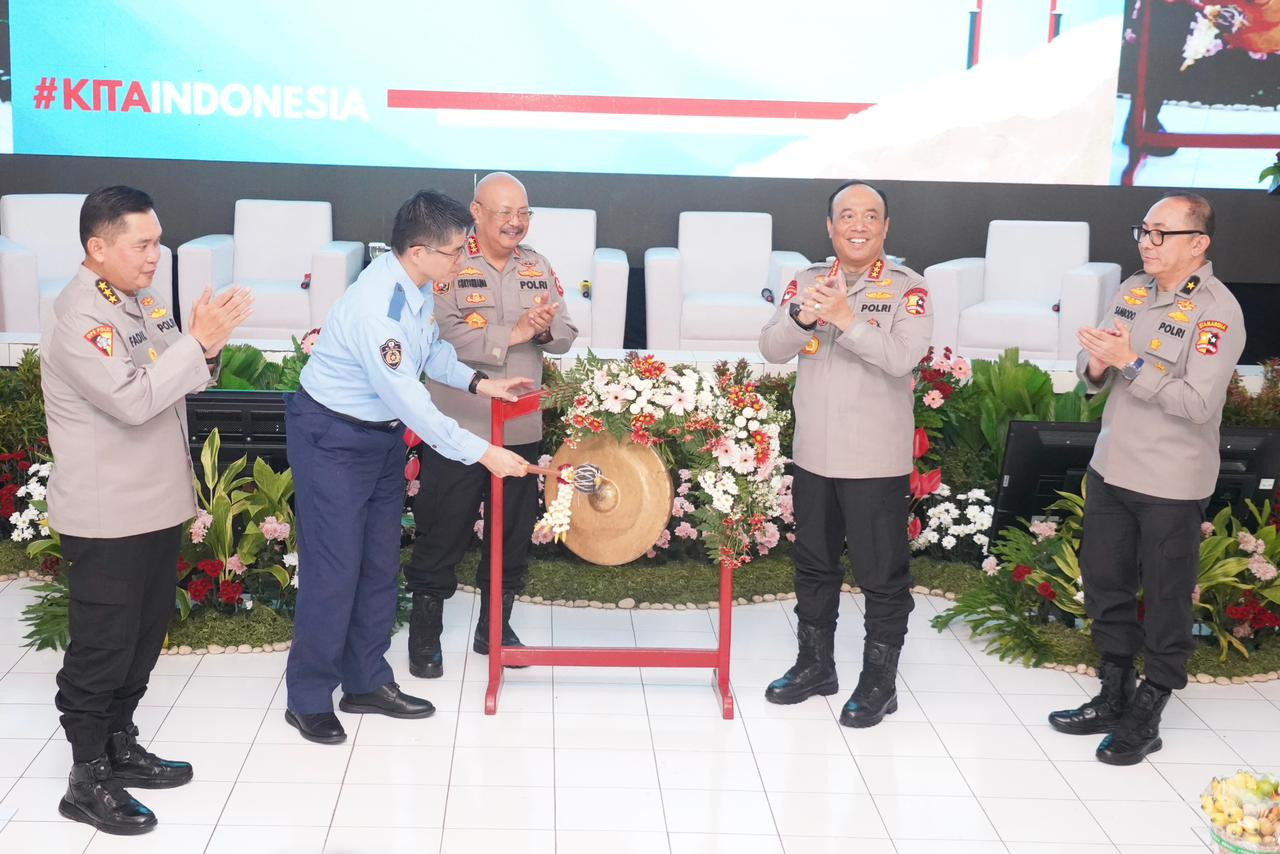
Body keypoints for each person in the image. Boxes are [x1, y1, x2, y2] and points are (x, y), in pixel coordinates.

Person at [41, 185, 253, 834]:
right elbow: (134, 400)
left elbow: (178, 378)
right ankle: (86, 777)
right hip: (108, 517)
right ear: (96, 247)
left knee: (140, 641)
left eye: (157, 242)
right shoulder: (80, 317)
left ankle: (119, 743)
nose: (155, 254)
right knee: (102, 649)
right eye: (141, 244)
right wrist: (197, 343)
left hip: (157, 504)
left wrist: (203, 347)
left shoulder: (139, 303)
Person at [284, 189, 530, 744]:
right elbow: (410, 399)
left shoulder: (415, 287)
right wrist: (483, 453)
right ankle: (307, 698)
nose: (462, 260)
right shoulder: (380, 308)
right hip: (333, 438)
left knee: (377, 564)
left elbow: (431, 351)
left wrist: (481, 382)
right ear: (418, 251)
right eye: (453, 252)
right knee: (334, 571)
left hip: (376, 437)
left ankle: (366, 680)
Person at [1050, 191, 1245, 765]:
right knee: (1105, 585)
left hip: (1171, 480)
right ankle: (1114, 694)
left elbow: (1197, 403)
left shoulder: (1217, 310)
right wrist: (1096, 362)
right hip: (1113, 466)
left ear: (1198, 244)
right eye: (1144, 230)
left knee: (1163, 599)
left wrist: (1132, 361)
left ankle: (1149, 711)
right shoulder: (1134, 288)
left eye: (1162, 233)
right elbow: (1096, 376)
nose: (1147, 242)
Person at [758, 180, 933, 727]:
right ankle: (815, 665)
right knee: (813, 565)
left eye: (871, 216)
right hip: (815, 454)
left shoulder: (908, 287)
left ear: (885, 229)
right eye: (847, 216)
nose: (858, 225)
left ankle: (879, 681)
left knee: (882, 574)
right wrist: (804, 318)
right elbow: (771, 348)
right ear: (829, 227)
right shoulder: (809, 280)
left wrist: (847, 320)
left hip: (873, 459)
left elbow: (904, 357)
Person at [404, 172, 577, 678]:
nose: (515, 223)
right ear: (475, 213)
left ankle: (495, 629)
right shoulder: (451, 262)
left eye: (523, 213)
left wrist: (545, 331)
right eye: (504, 213)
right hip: (460, 428)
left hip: (520, 430)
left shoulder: (537, 265)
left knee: (511, 535)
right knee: (442, 532)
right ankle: (425, 634)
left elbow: (565, 333)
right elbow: (437, 336)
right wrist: (511, 333)